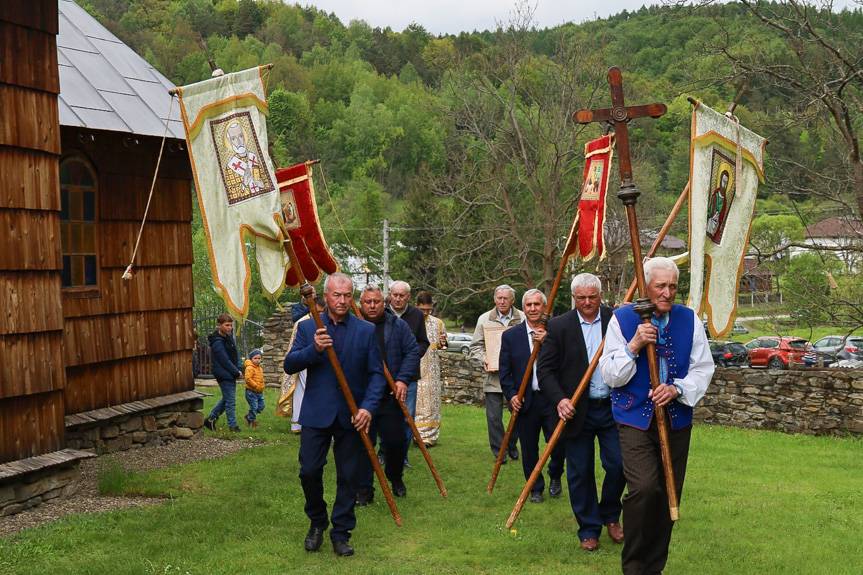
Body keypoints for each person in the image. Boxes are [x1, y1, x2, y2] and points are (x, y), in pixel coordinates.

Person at [599, 257, 715, 575]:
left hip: (676, 420)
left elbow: (704, 369)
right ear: (646, 286)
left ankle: (654, 568)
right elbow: (610, 374)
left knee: (667, 496)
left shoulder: (690, 320)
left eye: (672, 286)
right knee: (644, 488)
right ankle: (634, 566)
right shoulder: (621, 319)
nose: (667, 293)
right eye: (660, 286)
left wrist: (677, 389)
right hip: (634, 418)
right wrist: (634, 344)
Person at [284, 273, 387, 557]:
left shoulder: (365, 331)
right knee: (309, 471)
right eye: (336, 295)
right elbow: (289, 364)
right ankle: (317, 521)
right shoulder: (308, 328)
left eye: (346, 295)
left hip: (352, 415)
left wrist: (367, 407)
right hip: (317, 413)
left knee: (349, 477)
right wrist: (314, 349)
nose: (341, 301)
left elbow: (377, 375)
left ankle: (341, 532)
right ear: (325, 297)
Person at [538, 274, 624, 552]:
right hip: (577, 412)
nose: (587, 303)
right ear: (573, 297)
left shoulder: (617, 320)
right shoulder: (559, 326)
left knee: (619, 465)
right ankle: (588, 528)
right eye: (581, 298)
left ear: (601, 295)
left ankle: (610, 514)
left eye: (592, 297)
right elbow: (546, 370)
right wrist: (560, 399)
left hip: (612, 407)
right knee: (580, 471)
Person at [355, 285, 420, 505]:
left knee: (396, 442)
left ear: (385, 303)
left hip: (389, 397)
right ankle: (364, 490)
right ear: (361, 304)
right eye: (367, 302)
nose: (372, 306)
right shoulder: (353, 326)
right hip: (362, 398)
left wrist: (402, 379)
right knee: (364, 444)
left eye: (376, 301)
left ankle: (395, 477)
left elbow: (412, 351)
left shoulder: (398, 325)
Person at [499, 289, 564, 504]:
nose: (533, 309)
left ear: (545, 307)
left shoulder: (557, 333)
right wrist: (511, 395)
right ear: (523, 308)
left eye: (537, 304)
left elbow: (567, 365)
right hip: (526, 400)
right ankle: (535, 487)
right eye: (529, 305)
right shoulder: (511, 336)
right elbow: (505, 371)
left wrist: (548, 342)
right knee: (528, 447)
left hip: (552, 399)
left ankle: (555, 474)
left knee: (557, 443)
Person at [469, 284, 524, 462]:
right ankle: (499, 452)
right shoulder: (484, 319)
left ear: (512, 300)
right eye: (499, 298)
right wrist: (484, 358)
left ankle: (511, 444)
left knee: (517, 415)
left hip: (516, 377)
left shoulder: (522, 317)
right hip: (493, 377)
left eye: (505, 298)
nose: (502, 301)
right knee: (493, 418)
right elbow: (475, 347)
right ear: (494, 299)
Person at [388, 280, 430, 458]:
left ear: (408, 297)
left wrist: (411, 357)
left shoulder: (416, 315)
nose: (397, 299)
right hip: (384, 373)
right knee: (385, 417)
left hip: (409, 376)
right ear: (390, 295)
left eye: (401, 296)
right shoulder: (380, 312)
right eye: (395, 295)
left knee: (406, 416)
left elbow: (423, 342)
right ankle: (385, 453)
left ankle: (401, 456)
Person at [277, 296, 325, 433]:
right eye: (318, 311)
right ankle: (298, 423)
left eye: (322, 312)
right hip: (305, 361)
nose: (320, 314)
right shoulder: (302, 322)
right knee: (302, 390)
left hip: (319, 360)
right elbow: (295, 345)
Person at [414, 291, 447, 446]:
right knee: (417, 402)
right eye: (423, 309)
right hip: (416, 365)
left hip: (433, 367)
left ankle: (429, 437)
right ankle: (415, 435)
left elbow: (444, 346)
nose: (426, 313)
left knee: (431, 404)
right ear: (417, 306)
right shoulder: (411, 320)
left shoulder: (438, 323)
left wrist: (442, 342)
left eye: (429, 309)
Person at [204, 314, 242, 432]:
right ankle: (233, 426)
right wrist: (236, 372)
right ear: (219, 325)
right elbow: (224, 360)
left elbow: (235, 354)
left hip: (230, 373)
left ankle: (210, 419)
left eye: (231, 325)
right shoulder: (217, 342)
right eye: (227, 325)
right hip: (224, 374)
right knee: (230, 401)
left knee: (226, 399)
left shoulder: (227, 337)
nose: (229, 328)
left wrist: (239, 367)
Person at [243, 349, 265, 429]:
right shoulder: (249, 368)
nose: (257, 360)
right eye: (255, 358)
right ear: (251, 359)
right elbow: (248, 379)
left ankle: (249, 416)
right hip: (251, 392)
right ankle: (251, 420)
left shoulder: (260, 368)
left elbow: (261, 379)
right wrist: (255, 386)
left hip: (259, 392)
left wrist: (262, 386)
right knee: (254, 407)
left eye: (259, 358)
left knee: (261, 406)